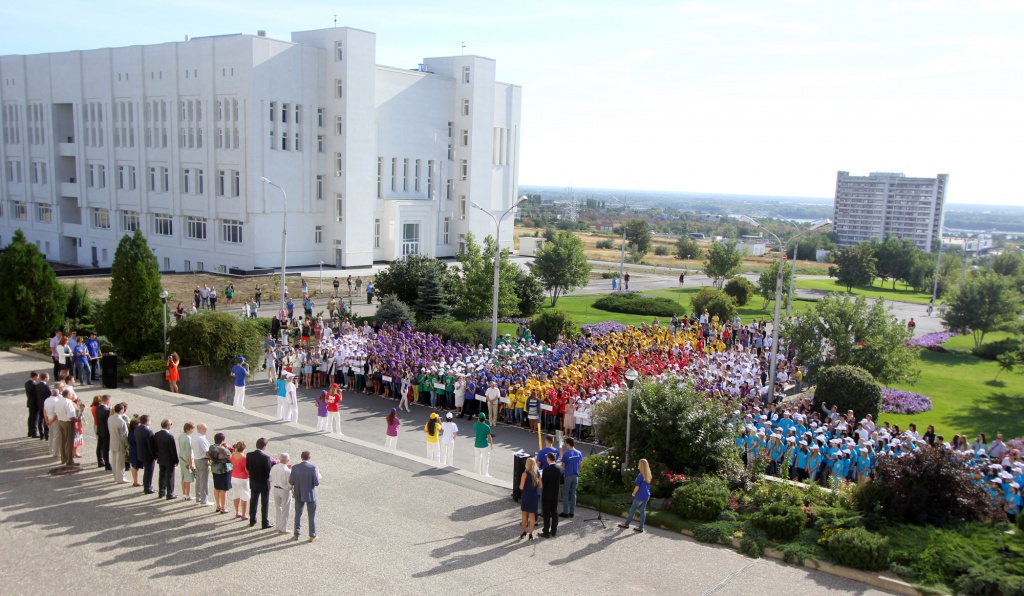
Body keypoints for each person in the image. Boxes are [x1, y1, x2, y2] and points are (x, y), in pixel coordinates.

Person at [289, 450, 321, 542]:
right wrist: (317, 473)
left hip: (299, 493)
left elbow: (291, 481)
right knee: (311, 515)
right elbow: (316, 483)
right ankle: (312, 535)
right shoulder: (312, 468)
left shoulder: (295, 467)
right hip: (310, 494)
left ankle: (296, 534)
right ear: (309, 458)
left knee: (298, 514)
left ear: (301, 457)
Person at [618, 458, 652, 533]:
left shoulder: (640, 476)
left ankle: (626, 524)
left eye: (639, 464)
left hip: (639, 496)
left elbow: (637, 487)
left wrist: (633, 493)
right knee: (643, 511)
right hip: (646, 496)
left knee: (632, 510)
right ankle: (641, 527)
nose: (638, 465)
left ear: (641, 466)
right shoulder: (648, 475)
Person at [247, 437, 274, 529]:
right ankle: (264, 522)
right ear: (264, 447)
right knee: (264, 503)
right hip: (263, 483)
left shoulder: (249, 455)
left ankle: (252, 520)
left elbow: (248, 467)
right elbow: (268, 471)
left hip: (254, 481)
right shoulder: (265, 457)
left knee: (253, 501)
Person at [208, 433, 233, 514]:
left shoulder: (211, 447)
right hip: (224, 469)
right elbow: (230, 458)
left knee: (217, 487)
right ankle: (223, 507)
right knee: (224, 489)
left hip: (215, 468)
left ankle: (218, 506)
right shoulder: (223, 449)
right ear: (222, 440)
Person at [153, 419, 179, 499]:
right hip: (169, 459)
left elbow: (154, 447)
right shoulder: (169, 436)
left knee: (162, 475)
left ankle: (161, 492)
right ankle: (170, 493)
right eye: (170, 424)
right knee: (170, 476)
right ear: (168, 426)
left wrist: (156, 455)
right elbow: (173, 450)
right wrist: (176, 460)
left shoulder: (157, 434)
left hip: (161, 458)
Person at [55, 388, 79, 467]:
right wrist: (78, 419)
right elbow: (71, 416)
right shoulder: (68, 402)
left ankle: (63, 458)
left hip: (60, 421)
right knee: (69, 442)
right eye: (71, 394)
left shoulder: (59, 401)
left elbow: (56, 412)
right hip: (68, 423)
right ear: (68, 395)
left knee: (63, 441)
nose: (72, 395)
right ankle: (69, 460)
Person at [540, 452, 562, 538]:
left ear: (548, 459)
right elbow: (562, 480)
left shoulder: (545, 470)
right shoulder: (560, 469)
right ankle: (554, 530)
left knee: (546, 514)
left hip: (547, 494)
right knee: (554, 512)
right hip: (555, 494)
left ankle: (546, 531)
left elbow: (543, 484)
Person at [270, 453, 293, 535]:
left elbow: (270, 478)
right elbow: (289, 483)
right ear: (287, 460)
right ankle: (283, 528)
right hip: (284, 490)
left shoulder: (274, 467)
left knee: (278, 508)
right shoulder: (287, 471)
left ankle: (278, 526)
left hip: (276, 488)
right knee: (285, 510)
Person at [560, 437, 583, 518]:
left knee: (566, 493)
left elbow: (563, 466)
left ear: (568, 444)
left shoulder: (566, 454)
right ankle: (572, 512)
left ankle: (565, 513)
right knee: (573, 493)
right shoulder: (579, 453)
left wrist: (563, 457)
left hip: (568, 475)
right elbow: (581, 466)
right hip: (575, 475)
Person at [519, 458, 541, 541]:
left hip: (526, 495)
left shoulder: (525, 474)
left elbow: (521, 487)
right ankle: (531, 533)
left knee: (524, 514)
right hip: (533, 495)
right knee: (532, 515)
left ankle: (524, 531)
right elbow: (540, 485)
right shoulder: (537, 473)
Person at [108, 403, 129, 483]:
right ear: (121, 410)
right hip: (119, 443)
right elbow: (124, 435)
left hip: (112, 441)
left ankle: (115, 477)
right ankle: (120, 478)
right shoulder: (122, 421)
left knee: (114, 461)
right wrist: (127, 445)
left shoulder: (110, 418)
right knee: (120, 462)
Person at [135, 414, 156, 493]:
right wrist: (154, 455)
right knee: (148, 472)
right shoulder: (148, 431)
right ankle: (147, 487)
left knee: (147, 471)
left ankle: (147, 485)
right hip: (148, 455)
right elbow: (151, 445)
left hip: (140, 452)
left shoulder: (137, 428)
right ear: (147, 422)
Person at [191, 424, 212, 506]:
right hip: (203, 460)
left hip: (197, 459)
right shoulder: (201, 438)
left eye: (206, 429)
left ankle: (198, 497)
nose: (205, 430)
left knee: (199, 479)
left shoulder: (194, 437)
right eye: (204, 429)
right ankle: (204, 500)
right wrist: (212, 459)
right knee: (204, 480)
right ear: (199, 429)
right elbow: (207, 451)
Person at [230, 441, 250, 519]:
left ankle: (237, 511)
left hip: (234, 477)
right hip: (242, 478)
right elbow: (246, 470)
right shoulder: (244, 458)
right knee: (244, 496)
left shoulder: (233, 455)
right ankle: (244, 514)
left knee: (236, 494)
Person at [178, 422, 196, 501]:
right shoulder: (188, 438)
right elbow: (189, 452)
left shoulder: (181, 436)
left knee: (183, 477)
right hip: (187, 460)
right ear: (188, 429)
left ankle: (184, 492)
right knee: (188, 478)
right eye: (192, 429)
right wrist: (191, 463)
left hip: (182, 458)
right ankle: (188, 494)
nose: (193, 431)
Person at [474, 412, 493, 477]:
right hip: (484, 445)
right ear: (484, 419)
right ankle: (485, 474)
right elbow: (489, 436)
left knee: (477, 459)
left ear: (479, 418)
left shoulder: (475, 425)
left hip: (477, 444)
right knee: (485, 460)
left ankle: (476, 472)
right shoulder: (486, 427)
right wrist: (491, 443)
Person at [95, 394, 111, 470]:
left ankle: (100, 461)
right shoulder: (106, 411)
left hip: (99, 430)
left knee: (99, 446)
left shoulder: (98, 408)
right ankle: (107, 464)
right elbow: (108, 422)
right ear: (107, 400)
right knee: (105, 449)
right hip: (105, 432)